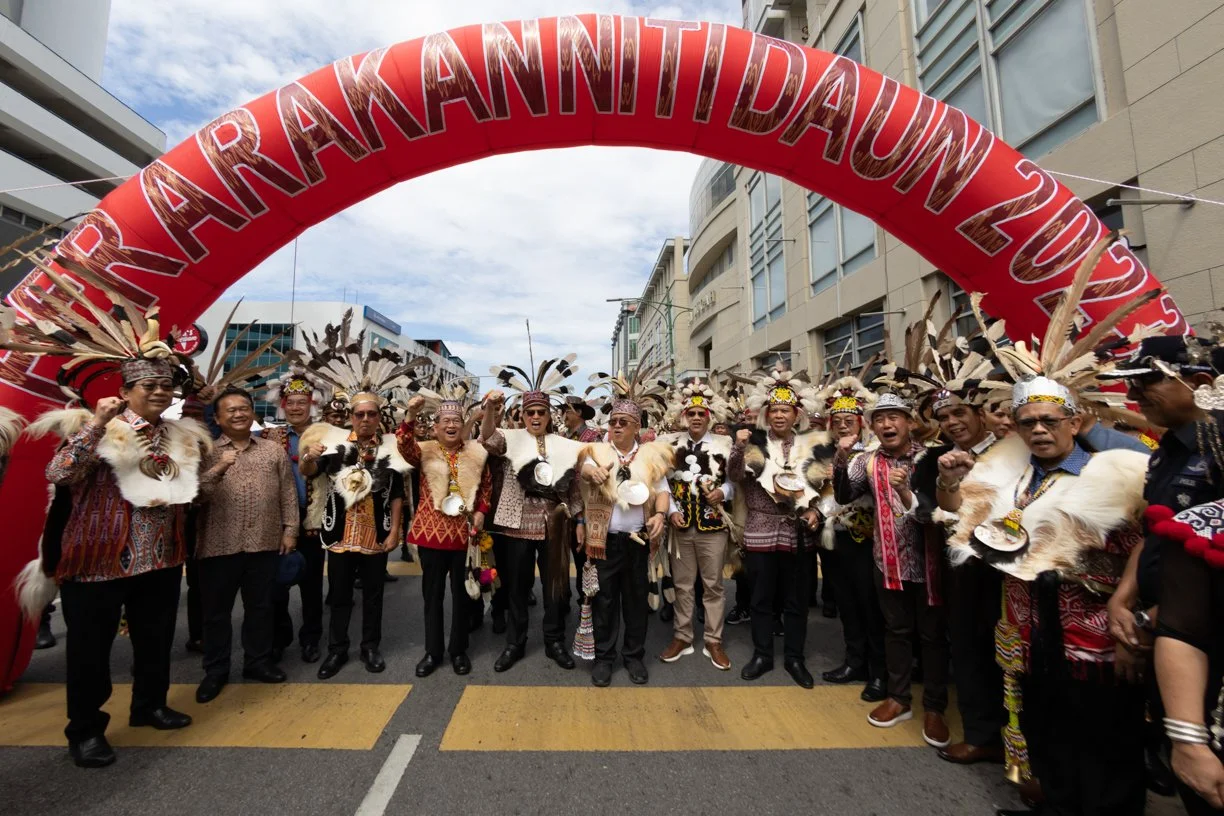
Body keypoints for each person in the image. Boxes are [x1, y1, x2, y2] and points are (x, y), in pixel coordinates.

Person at [7, 273, 212, 769]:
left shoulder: (182, 437)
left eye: (167, 384)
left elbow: (182, 492)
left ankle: (149, 705)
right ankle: (85, 730)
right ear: (128, 388)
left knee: (155, 640)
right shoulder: (94, 427)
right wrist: (98, 423)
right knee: (90, 654)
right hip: (98, 561)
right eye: (150, 385)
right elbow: (60, 473)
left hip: (159, 559)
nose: (160, 392)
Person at [945, 373, 1150, 816]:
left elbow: (1149, 548)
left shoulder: (1116, 476)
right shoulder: (1010, 477)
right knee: (1047, 736)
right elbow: (966, 522)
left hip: (1095, 641)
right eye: (1028, 423)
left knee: (1105, 747)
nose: (1039, 430)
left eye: (1049, 420)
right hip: (1027, 635)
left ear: (1074, 423)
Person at [834, 391, 951, 746]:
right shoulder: (867, 461)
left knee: (932, 636)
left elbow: (937, 509)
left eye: (894, 417)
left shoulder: (932, 458)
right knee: (895, 630)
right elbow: (844, 496)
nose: (887, 424)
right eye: (880, 419)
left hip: (929, 562)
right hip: (887, 562)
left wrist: (907, 494)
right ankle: (899, 698)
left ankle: (935, 706)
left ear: (910, 422)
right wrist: (841, 459)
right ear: (872, 426)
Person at [193, 387, 299, 703]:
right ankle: (216, 670)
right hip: (217, 544)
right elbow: (193, 499)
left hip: (264, 543)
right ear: (217, 418)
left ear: (252, 412)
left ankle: (257, 662)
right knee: (215, 613)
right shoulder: (205, 452)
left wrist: (290, 529)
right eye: (231, 410)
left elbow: (288, 493)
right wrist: (218, 468)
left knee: (261, 608)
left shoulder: (272, 451)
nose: (239, 414)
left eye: (244, 408)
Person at [481, 353, 585, 672]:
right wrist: (489, 410)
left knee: (555, 586)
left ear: (549, 415)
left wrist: (579, 520)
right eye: (530, 412)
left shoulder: (564, 443)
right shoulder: (509, 439)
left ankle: (554, 641)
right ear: (523, 415)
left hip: (554, 524)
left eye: (541, 412)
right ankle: (515, 643)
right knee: (517, 587)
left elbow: (575, 487)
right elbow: (486, 438)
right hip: (515, 525)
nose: (536, 417)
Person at [731, 369, 829, 689]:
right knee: (761, 598)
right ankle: (762, 655)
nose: (779, 415)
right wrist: (737, 447)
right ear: (765, 414)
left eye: (785, 410)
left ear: (796, 414)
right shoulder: (754, 443)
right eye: (774, 409)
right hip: (760, 528)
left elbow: (821, 487)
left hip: (798, 531)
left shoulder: (811, 446)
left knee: (796, 600)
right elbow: (735, 476)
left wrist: (815, 512)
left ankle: (794, 658)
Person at [579, 366, 674, 687]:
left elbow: (663, 493)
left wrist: (660, 516)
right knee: (605, 600)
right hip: (603, 538)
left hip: (637, 539)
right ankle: (605, 659)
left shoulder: (649, 455)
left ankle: (633, 657)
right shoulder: (598, 451)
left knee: (635, 601)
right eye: (613, 422)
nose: (616, 427)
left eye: (623, 423)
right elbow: (584, 470)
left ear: (636, 427)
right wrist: (590, 474)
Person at [301, 391, 407, 678]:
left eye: (371, 414)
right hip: (340, 535)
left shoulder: (389, 449)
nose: (365, 419)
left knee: (373, 596)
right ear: (351, 418)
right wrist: (309, 457)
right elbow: (309, 472)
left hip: (375, 534)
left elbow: (397, 493)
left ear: (378, 418)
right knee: (339, 596)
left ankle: (370, 647)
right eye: (359, 415)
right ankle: (337, 650)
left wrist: (395, 530)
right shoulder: (334, 447)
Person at [397, 386, 492, 678]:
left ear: (462, 425)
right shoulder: (424, 450)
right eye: (445, 422)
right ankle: (433, 652)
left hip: (464, 537)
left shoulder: (476, 453)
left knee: (462, 597)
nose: (451, 426)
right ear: (436, 427)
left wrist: (480, 513)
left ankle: (459, 650)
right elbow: (403, 444)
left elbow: (486, 487)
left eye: (456, 421)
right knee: (432, 596)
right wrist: (411, 414)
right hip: (431, 536)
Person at [815, 375, 886, 703]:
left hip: (867, 539)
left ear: (861, 422)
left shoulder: (875, 452)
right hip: (834, 538)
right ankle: (854, 661)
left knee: (870, 606)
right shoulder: (822, 451)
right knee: (846, 604)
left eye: (849, 420)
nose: (843, 426)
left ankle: (879, 672)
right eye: (838, 421)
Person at [660, 378, 736, 671]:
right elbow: (662, 482)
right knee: (682, 585)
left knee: (713, 586)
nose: (695, 418)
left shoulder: (724, 445)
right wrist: (671, 512)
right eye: (690, 413)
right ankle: (682, 636)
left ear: (708, 417)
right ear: (683, 417)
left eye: (700, 414)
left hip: (713, 526)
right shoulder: (670, 445)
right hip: (681, 526)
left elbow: (733, 483)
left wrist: (722, 493)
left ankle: (714, 640)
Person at [263, 373, 327, 664]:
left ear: (311, 405)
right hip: (279, 520)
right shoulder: (270, 437)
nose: (296, 408)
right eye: (291, 403)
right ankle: (279, 637)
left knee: (312, 585)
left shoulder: (326, 435)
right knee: (277, 584)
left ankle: (310, 638)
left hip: (313, 518)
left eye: (302, 402)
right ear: (283, 405)